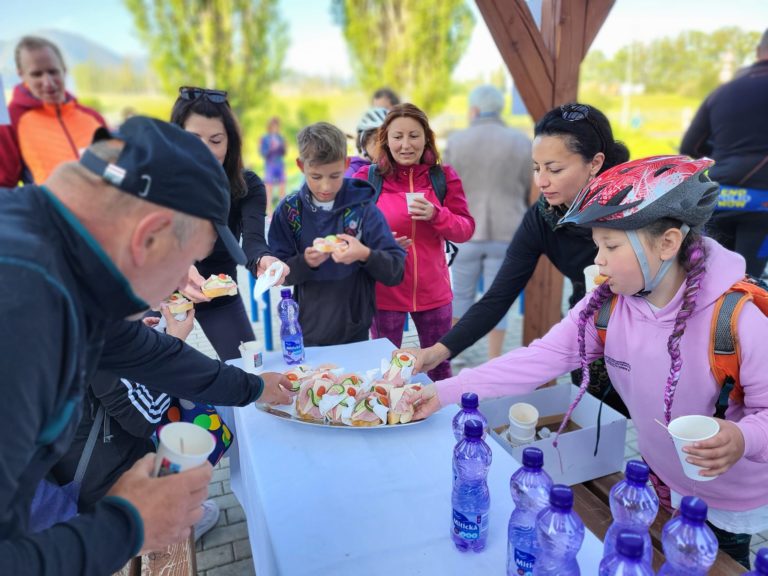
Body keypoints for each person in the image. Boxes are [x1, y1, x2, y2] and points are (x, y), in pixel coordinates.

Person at [412, 155, 767, 569]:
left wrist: (743, 439)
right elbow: (539, 358)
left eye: (611, 246)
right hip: (657, 483)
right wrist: (441, 392)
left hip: (729, 505)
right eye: (597, 245)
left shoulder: (738, 320)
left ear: (668, 243)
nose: (598, 261)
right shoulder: (606, 305)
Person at [0, 115, 293, 575]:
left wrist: (255, 388)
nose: (185, 282)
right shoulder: (27, 312)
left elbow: (149, 353)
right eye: (187, 263)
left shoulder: (55, 249)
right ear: (148, 236)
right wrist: (127, 525)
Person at [405, 103, 630, 413]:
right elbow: (497, 298)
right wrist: (438, 351)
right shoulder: (543, 217)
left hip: (649, 330)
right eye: (536, 168)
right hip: (591, 318)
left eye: (554, 169)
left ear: (595, 163)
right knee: (599, 418)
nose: (541, 181)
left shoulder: (635, 208)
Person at [49, 307, 223, 541]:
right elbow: (145, 418)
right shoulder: (90, 330)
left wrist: (133, 339)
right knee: (178, 447)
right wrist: (174, 344)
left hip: (71, 469)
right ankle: (176, 521)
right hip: (112, 485)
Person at [353, 103, 475, 381]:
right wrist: (378, 243)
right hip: (385, 293)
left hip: (434, 292)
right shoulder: (367, 178)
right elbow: (349, 232)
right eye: (398, 136)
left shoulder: (443, 177)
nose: (406, 144)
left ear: (426, 138)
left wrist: (437, 214)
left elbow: (465, 229)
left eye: (414, 135)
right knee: (386, 368)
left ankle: (441, 420)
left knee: (439, 369)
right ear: (386, 139)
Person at [170, 86, 288, 361]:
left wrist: (264, 261)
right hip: (161, 295)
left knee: (250, 370)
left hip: (219, 293)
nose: (205, 151)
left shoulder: (247, 187)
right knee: (150, 387)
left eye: (216, 140)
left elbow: (253, 242)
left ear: (230, 142)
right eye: (193, 139)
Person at [268, 121, 406, 346]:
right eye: (315, 176)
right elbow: (281, 274)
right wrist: (306, 262)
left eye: (334, 176)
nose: (325, 187)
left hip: (356, 331)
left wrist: (364, 254)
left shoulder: (363, 208)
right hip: (308, 330)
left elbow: (395, 271)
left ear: (346, 163)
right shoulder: (289, 210)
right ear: (301, 166)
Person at [442, 85, 531, 360]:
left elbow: (444, 187)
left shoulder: (457, 141)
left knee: (461, 297)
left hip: (465, 230)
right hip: (508, 231)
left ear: (474, 109)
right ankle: (493, 359)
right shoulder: (521, 141)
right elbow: (530, 187)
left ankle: (452, 357)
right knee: (498, 299)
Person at [680, 28, 768, 278]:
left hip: (719, 197)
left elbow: (690, 147)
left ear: (758, 50)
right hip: (763, 203)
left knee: (716, 278)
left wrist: (724, 155)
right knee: (749, 281)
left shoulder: (722, 92)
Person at [0, 35, 107, 187]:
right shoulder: (10, 121)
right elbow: (3, 187)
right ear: (21, 75)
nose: (48, 82)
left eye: (53, 72)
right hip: (49, 210)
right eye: (37, 74)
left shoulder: (93, 117)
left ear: (64, 70)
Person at [345, 106, 388, 178]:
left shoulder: (387, 166)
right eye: (377, 141)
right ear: (364, 142)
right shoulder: (352, 169)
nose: (385, 147)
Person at [260, 116, 288, 207]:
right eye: (273, 126)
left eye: (277, 126)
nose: (275, 128)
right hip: (270, 164)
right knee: (269, 187)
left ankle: (282, 209)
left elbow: (283, 153)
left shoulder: (280, 138)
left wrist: (284, 146)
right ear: (269, 126)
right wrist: (271, 148)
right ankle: (269, 210)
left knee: (282, 186)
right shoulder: (265, 138)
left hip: (280, 164)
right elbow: (263, 152)